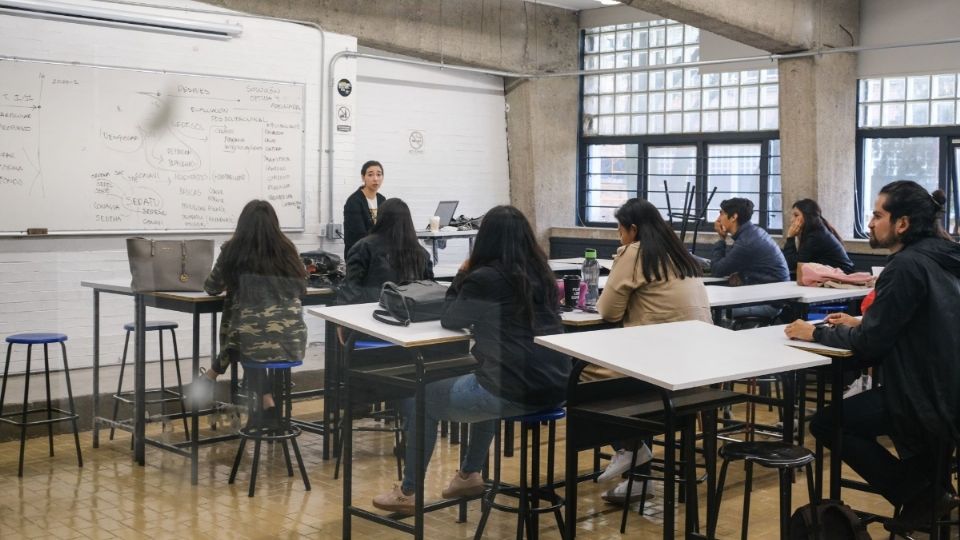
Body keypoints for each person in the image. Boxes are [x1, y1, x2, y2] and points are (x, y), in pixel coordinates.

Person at [784, 181, 960, 534]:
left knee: (826, 423)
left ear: (902, 224)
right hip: (948, 390)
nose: (870, 222)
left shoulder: (905, 265)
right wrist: (863, 319)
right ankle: (935, 491)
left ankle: (920, 494)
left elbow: (870, 344)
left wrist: (814, 332)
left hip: (922, 398)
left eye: (878, 215)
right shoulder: (946, 254)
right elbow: (922, 315)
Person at [372, 206, 571, 514]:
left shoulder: (485, 278)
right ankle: (468, 474)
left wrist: (463, 273)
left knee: (421, 397)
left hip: (515, 389)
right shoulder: (541, 273)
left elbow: (451, 317)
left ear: (486, 239)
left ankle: (409, 492)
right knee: (486, 376)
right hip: (556, 386)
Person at [593, 198, 713, 503]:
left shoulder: (635, 253)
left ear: (632, 230)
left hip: (661, 369)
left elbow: (607, 312)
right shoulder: (680, 254)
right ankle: (638, 474)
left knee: (583, 372)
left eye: (620, 232)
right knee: (626, 367)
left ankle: (629, 448)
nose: (619, 238)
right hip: (701, 368)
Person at [190, 200, 308, 428]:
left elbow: (212, 287)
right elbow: (301, 286)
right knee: (250, 344)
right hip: (291, 340)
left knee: (247, 343)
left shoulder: (233, 250)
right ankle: (265, 405)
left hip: (249, 340)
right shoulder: (287, 249)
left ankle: (213, 375)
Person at [339, 198, 433, 305]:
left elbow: (351, 291)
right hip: (410, 313)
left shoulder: (364, 247)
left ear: (380, 219)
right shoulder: (421, 253)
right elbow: (429, 289)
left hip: (372, 312)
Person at [710, 197, 790, 321]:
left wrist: (721, 239)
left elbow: (717, 270)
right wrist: (741, 275)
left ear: (733, 217)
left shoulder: (746, 242)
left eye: (722, 213)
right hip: (769, 296)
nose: (718, 219)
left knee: (713, 312)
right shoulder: (752, 232)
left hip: (769, 303)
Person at [782, 199, 854, 274]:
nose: (791, 220)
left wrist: (790, 237)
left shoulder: (815, 236)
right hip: (835, 275)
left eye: (796, 215)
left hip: (841, 277)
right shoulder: (816, 231)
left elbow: (792, 265)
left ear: (808, 216)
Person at [343, 160, 386, 257]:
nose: (375, 179)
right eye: (370, 175)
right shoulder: (354, 201)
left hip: (377, 254)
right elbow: (359, 234)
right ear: (363, 177)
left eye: (379, 175)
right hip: (358, 255)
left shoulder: (382, 199)